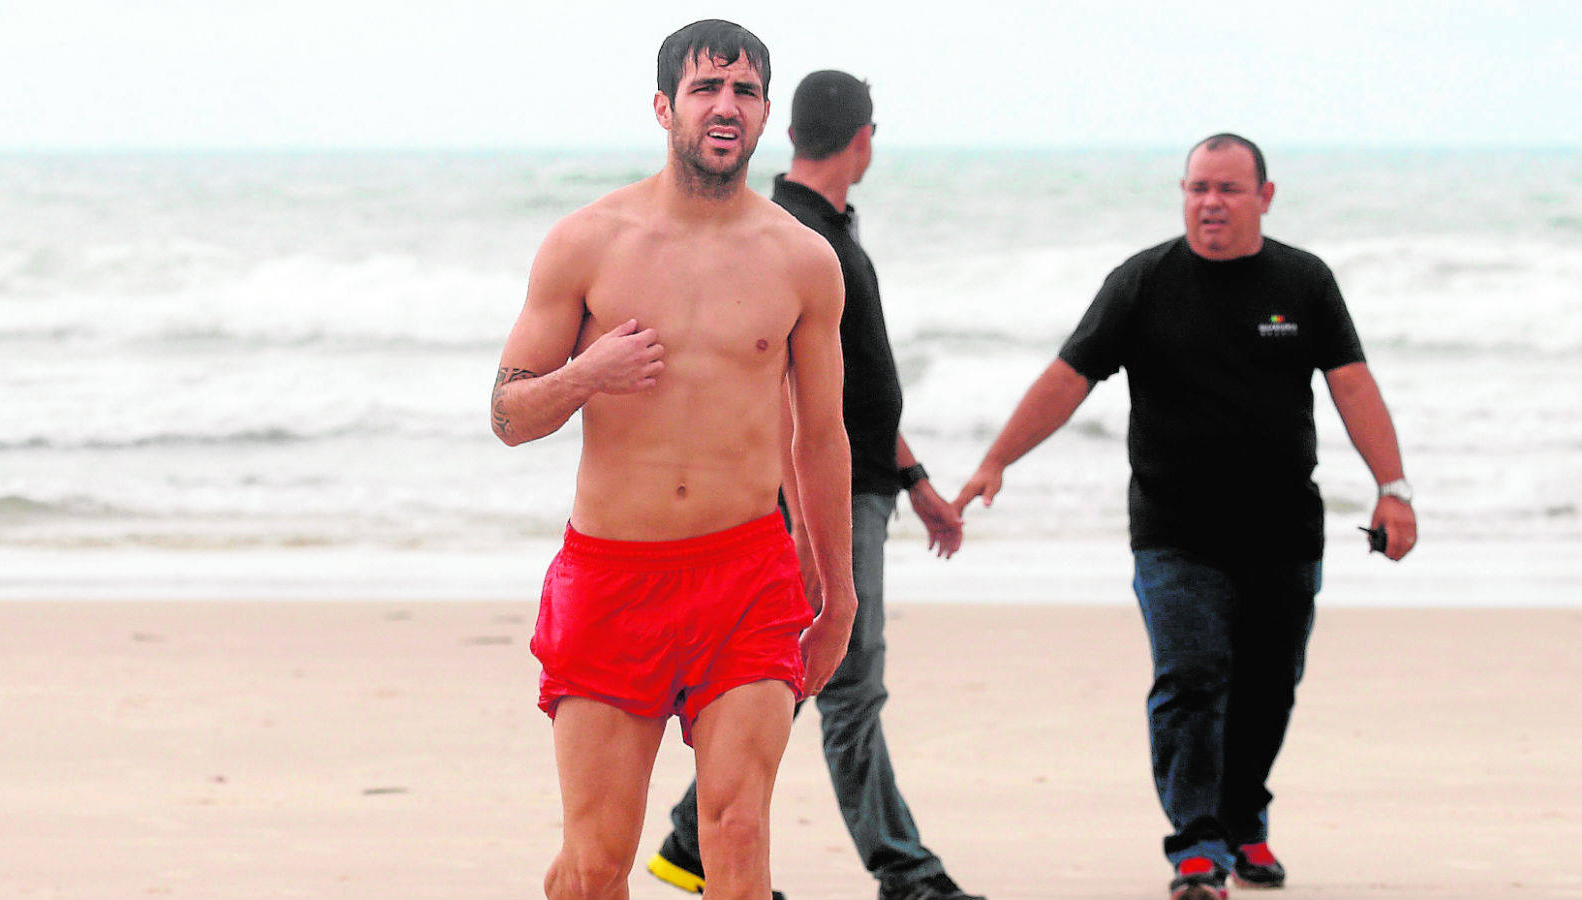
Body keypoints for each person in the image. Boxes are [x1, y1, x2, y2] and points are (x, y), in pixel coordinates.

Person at [953, 134, 1417, 900]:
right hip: (1176, 534)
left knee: (1269, 689)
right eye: (1198, 187)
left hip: (1283, 532)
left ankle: (1242, 822)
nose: (1210, 202)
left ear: (1265, 197)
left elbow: (1353, 385)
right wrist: (996, 459)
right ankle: (1196, 845)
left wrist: (1393, 488)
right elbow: (1070, 377)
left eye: (1229, 189)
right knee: (1193, 676)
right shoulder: (1143, 283)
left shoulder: (1304, 283)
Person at [491, 20, 857, 900]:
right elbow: (507, 414)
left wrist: (839, 591)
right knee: (595, 866)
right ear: (665, 106)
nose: (726, 106)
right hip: (613, 579)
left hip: (746, 576)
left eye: (746, 91)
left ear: (766, 114)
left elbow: (823, 435)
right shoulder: (587, 243)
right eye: (706, 88)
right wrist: (586, 373)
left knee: (735, 832)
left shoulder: (804, 261)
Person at [644, 71, 985, 900]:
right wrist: (804, 521)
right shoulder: (789, 235)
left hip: (861, 482)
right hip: (812, 498)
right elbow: (782, 398)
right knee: (844, 681)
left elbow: (848, 387)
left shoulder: (825, 228)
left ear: (789, 127)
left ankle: (693, 842)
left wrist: (911, 476)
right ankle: (907, 873)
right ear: (863, 138)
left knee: (801, 674)